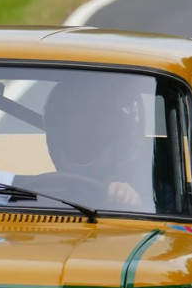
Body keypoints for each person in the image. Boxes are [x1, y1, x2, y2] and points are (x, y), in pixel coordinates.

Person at [41, 76, 149, 207]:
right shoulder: (32, 192)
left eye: (98, 116)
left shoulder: (150, 189)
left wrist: (131, 200)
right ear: (58, 131)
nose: (87, 124)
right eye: (76, 113)